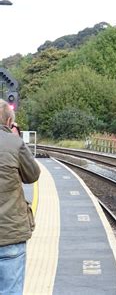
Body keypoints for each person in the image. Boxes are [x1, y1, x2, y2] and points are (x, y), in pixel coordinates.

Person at [0, 99, 40, 294]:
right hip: (9, 235)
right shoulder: (15, 143)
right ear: (9, 122)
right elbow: (32, 175)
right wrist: (16, 139)